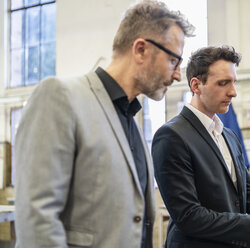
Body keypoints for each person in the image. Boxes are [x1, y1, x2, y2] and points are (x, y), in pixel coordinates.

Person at [14, 1, 194, 248]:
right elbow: (37, 218)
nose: (177, 75)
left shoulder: (131, 122)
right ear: (141, 49)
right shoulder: (60, 97)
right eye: (174, 60)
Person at [152, 46, 250, 248]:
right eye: (223, 83)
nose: (233, 92)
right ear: (196, 85)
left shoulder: (229, 136)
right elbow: (189, 216)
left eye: (234, 83)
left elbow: (248, 194)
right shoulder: (172, 136)